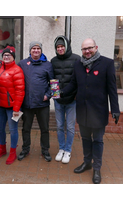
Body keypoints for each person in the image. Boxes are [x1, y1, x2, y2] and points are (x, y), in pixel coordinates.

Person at [60, 38, 120, 184]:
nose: (87, 51)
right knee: (86, 139)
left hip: (98, 111)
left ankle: (97, 168)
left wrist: (115, 109)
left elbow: (112, 89)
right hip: (83, 110)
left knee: (98, 140)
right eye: (84, 49)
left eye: (89, 48)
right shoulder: (78, 65)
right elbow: (73, 84)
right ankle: (87, 163)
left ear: (96, 47)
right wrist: (60, 93)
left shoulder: (107, 63)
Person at [17, 41, 54, 162]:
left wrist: (48, 95)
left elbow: (54, 84)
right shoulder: (23, 63)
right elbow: (12, 71)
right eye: (33, 48)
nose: (36, 50)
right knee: (26, 128)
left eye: (38, 48)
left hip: (42, 104)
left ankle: (45, 150)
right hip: (27, 104)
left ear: (41, 50)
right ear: (30, 50)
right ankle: (25, 149)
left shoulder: (47, 65)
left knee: (44, 129)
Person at [0, 45, 25, 165]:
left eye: (9, 55)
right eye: (4, 55)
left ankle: (12, 152)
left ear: (13, 57)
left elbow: (20, 91)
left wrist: (16, 108)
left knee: (13, 130)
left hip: (12, 108)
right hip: (0, 105)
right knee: (0, 128)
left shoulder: (17, 70)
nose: (6, 57)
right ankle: (2, 149)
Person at [51, 35, 80, 164]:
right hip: (58, 101)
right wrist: (55, 94)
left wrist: (76, 95)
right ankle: (61, 149)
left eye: (62, 46)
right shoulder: (53, 61)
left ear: (66, 46)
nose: (60, 48)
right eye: (58, 47)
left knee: (70, 127)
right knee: (59, 126)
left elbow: (80, 79)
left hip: (72, 100)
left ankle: (68, 151)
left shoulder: (77, 59)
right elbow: (52, 79)